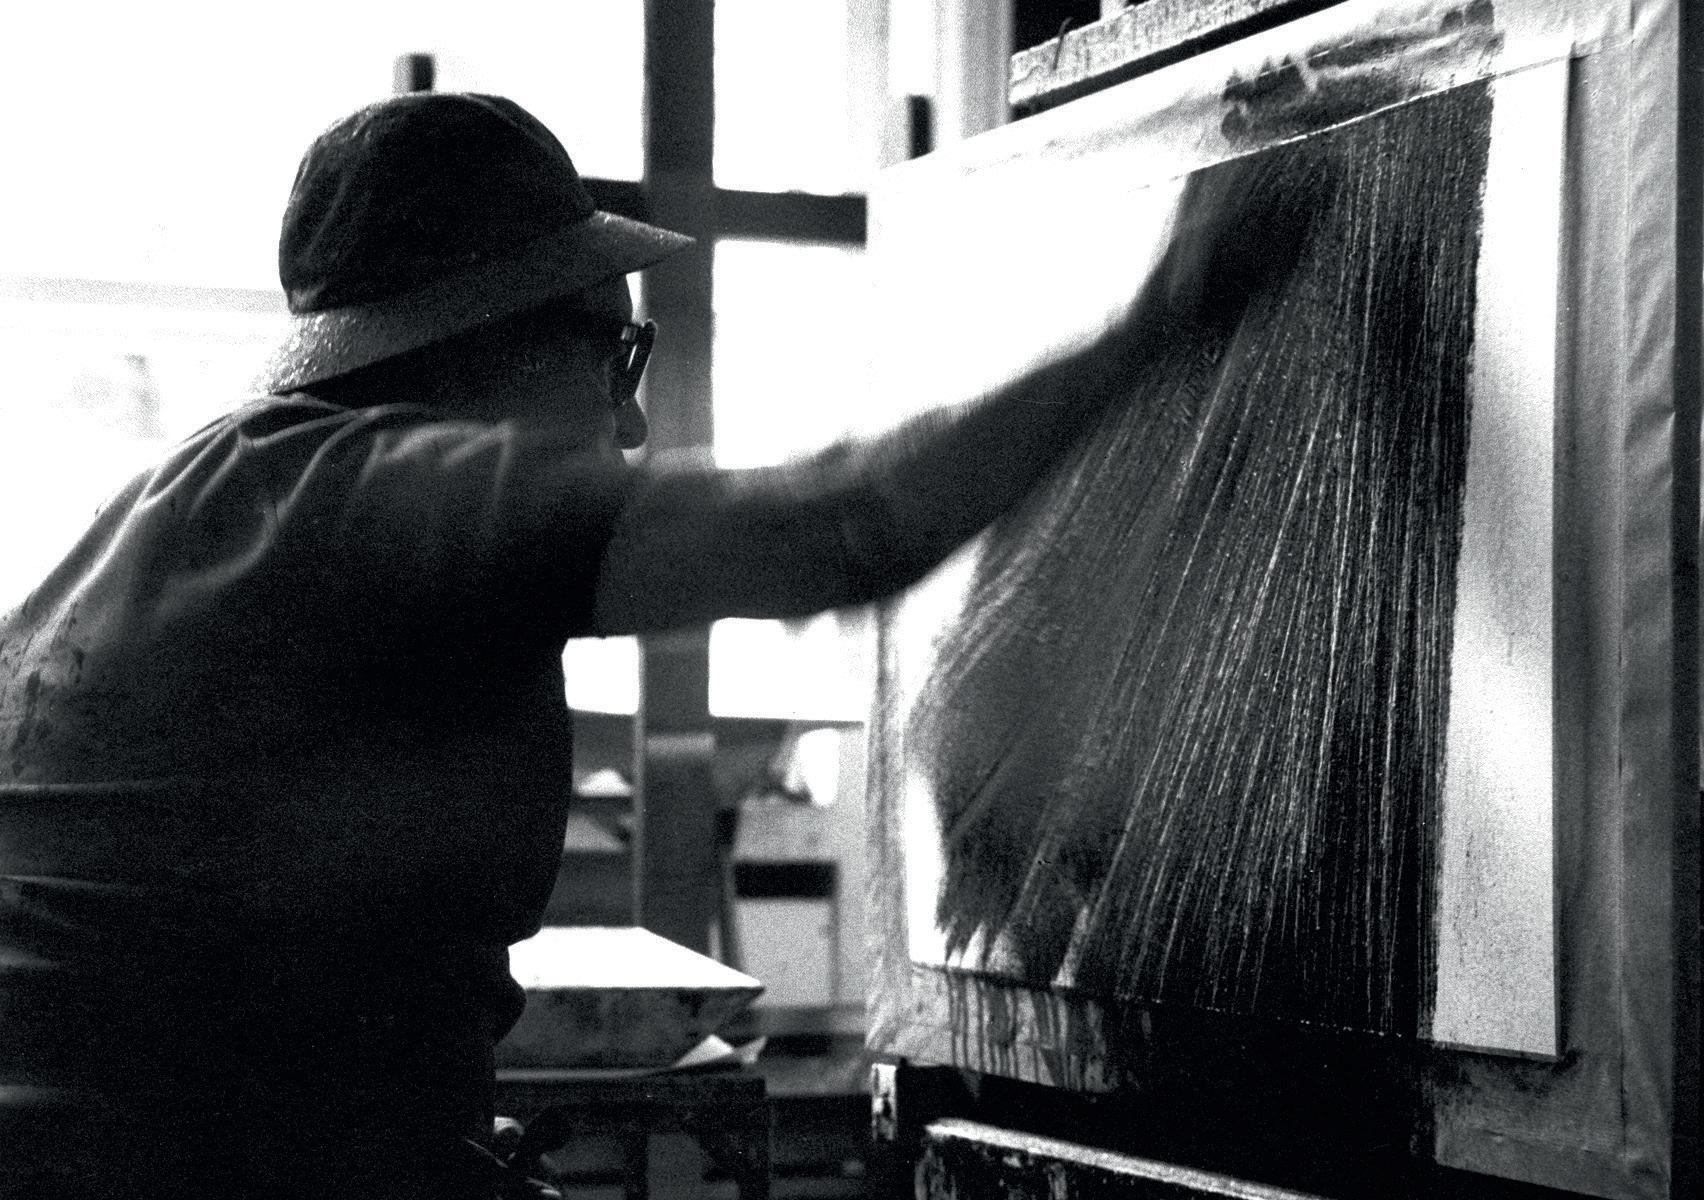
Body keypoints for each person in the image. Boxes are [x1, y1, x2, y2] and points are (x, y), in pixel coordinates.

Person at [0, 92, 1276, 1198]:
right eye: (618, 353)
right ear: (491, 337)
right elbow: (845, 524)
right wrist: (1168, 310)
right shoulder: (392, 494)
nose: (629, 421)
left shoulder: (177, 504)